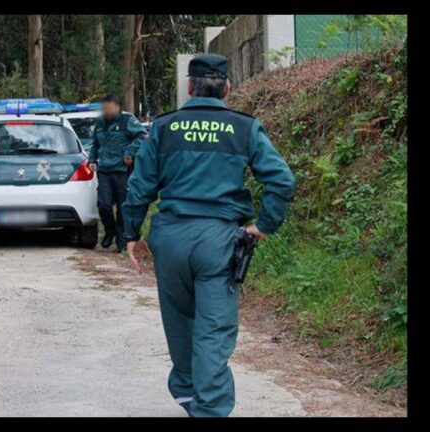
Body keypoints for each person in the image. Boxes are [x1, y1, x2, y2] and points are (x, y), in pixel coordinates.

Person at [122, 54, 296, 417]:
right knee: (213, 329)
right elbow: (281, 180)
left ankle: (188, 395)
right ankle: (209, 408)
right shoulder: (244, 128)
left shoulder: (164, 127)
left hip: (170, 238)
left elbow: (140, 186)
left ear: (189, 87)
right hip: (219, 240)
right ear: (227, 88)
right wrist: (264, 226)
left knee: (180, 321)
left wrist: (130, 233)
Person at [87, 94, 148, 253]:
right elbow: (95, 144)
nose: (107, 111)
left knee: (122, 206)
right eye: (105, 108)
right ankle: (110, 230)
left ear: (117, 107)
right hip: (104, 170)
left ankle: (121, 240)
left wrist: (130, 152)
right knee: (103, 204)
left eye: (110, 108)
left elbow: (143, 136)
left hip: (122, 170)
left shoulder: (127, 121)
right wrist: (91, 160)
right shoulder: (100, 123)